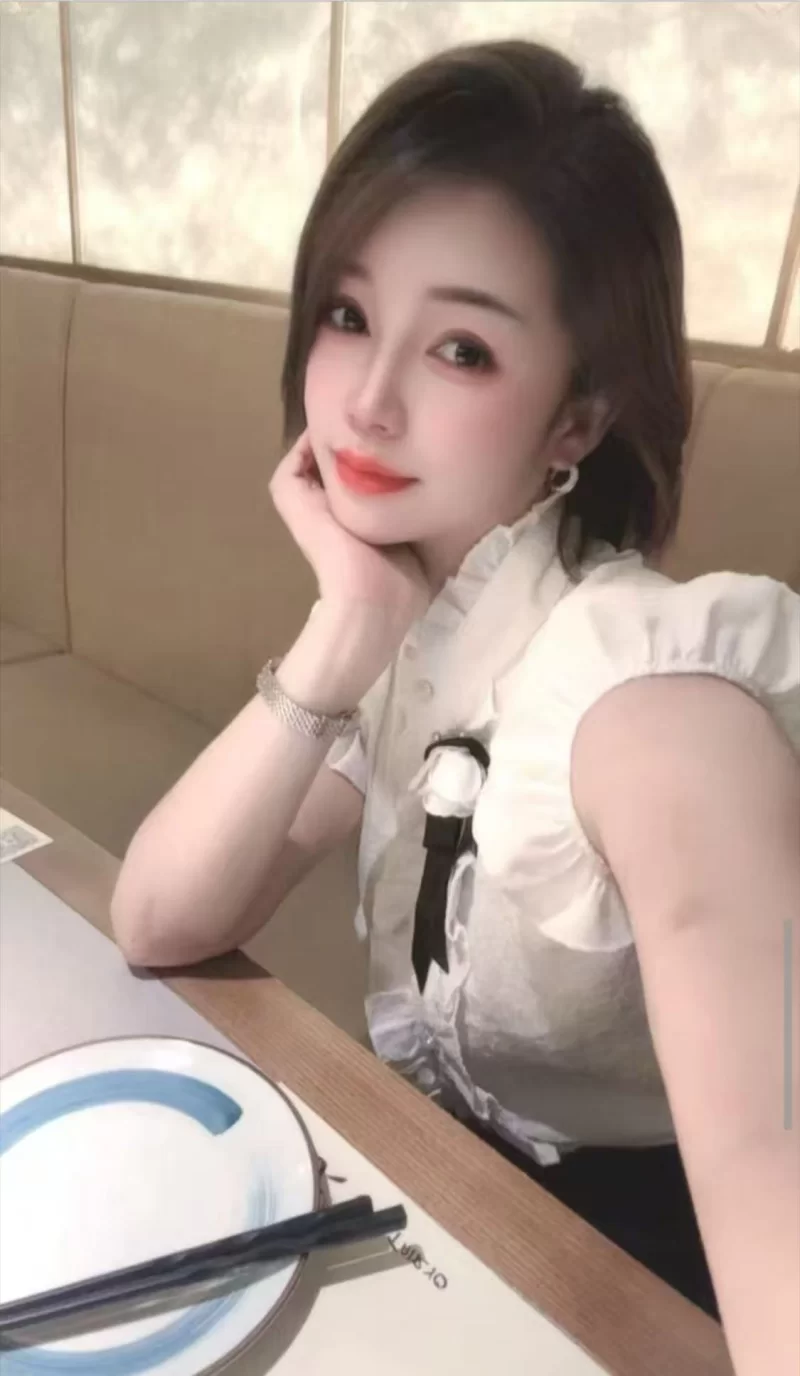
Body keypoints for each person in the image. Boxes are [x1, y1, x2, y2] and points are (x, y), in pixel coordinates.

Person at [111, 41, 800, 1372]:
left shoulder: (654, 704)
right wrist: (346, 625)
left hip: (648, 1280)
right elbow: (160, 916)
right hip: (452, 1205)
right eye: (347, 315)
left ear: (578, 418)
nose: (367, 402)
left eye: (463, 349)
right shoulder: (423, 633)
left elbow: (774, 1161)